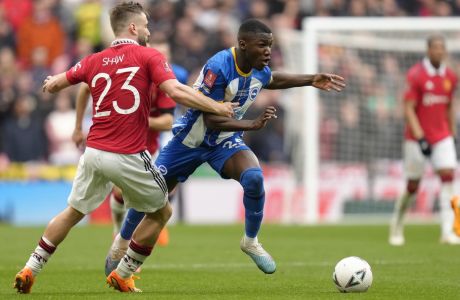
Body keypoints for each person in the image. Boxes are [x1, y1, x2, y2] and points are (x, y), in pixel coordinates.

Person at [13, 1, 234, 294]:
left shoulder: (94, 59)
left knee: (72, 212)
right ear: (132, 27)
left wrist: (51, 82)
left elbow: (59, 84)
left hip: (93, 153)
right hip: (127, 153)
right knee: (161, 212)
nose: (148, 29)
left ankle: (30, 268)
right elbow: (176, 90)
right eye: (145, 24)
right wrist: (217, 105)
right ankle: (123, 272)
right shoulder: (148, 55)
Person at [105, 18, 345, 276]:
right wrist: (250, 124)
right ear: (243, 44)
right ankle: (121, 241)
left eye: (270, 45)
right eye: (262, 45)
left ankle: (250, 242)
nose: (268, 51)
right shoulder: (220, 66)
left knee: (254, 178)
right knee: (151, 196)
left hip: (222, 141)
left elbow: (272, 79)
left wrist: (311, 79)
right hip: (190, 140)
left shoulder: (258, 66)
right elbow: (210, 117)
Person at [389, 34, 458, 246]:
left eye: (442, 48)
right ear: (428, 50)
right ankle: (397, 224)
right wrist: (420, 138)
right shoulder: (416, 75)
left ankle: (448, 231)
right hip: (416, 138)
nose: (439, 51)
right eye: (435, 48)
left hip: (442, 136)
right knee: (412, 186)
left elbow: (448, 107)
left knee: (448, 178)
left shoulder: (450, 76)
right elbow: (408, 109)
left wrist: (453, 135)